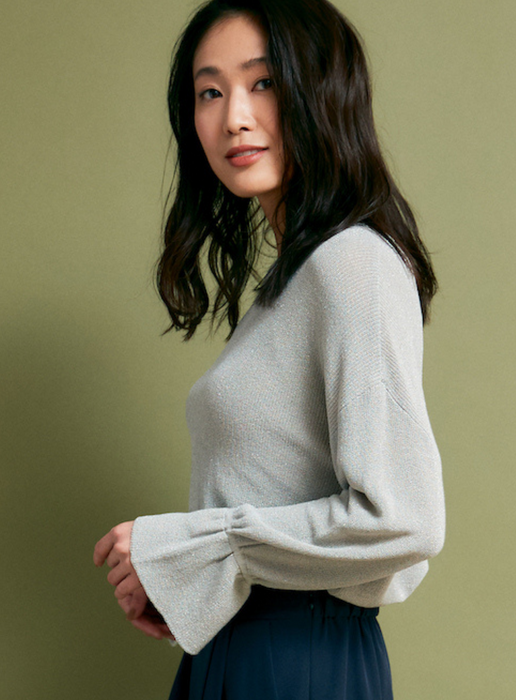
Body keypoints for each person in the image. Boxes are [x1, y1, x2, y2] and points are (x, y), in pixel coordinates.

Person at [93, 0, 446, 697]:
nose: (234, 117)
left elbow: (404, 520)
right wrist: (188, 577)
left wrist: (191, 547)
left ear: (322, 93)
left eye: (264, 83)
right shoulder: (295, 281)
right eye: (210, 92)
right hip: (246, 650)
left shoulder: (353, 263)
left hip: (293, 659)